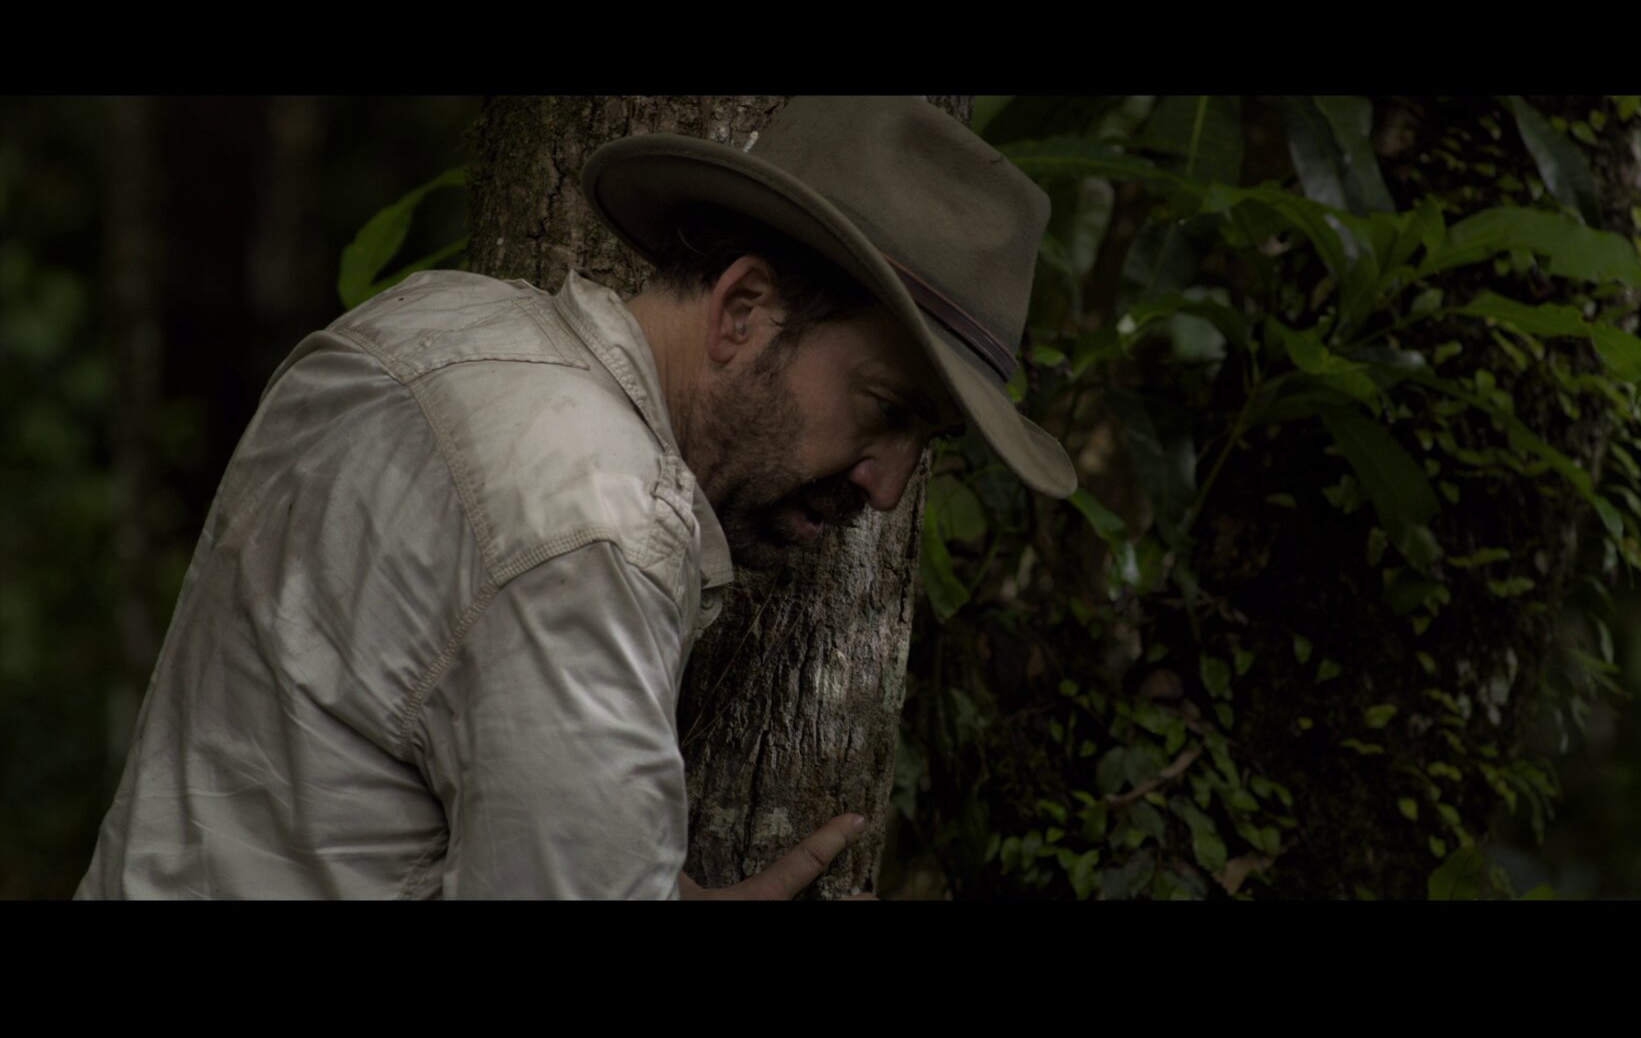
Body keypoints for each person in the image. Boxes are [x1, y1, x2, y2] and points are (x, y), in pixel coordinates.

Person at [73, 96, 1077, 899]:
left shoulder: (427, 323)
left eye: (920, 443)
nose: (888, 487)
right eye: (884, 410)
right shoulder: (599, 525)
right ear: (744, 310)